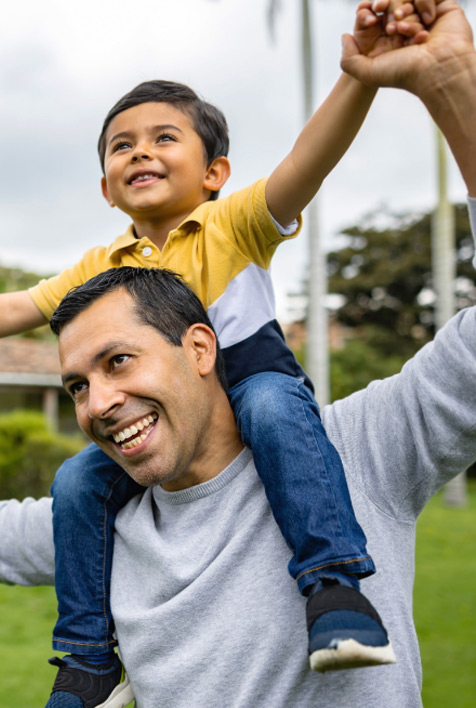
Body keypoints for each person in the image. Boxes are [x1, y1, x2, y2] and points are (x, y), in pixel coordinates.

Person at [1, 0, 476, 706]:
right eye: (77, 384)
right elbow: (14, 309)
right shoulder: (101, 273)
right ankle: (85, 658)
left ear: (215, 170)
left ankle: (334, 586)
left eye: (120, 361)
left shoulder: (361, 447)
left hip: (260, 375)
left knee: (270, 410)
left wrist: (400, 81)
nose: (98, 401)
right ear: (105, 187)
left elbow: (306, 163)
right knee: (75, 482)